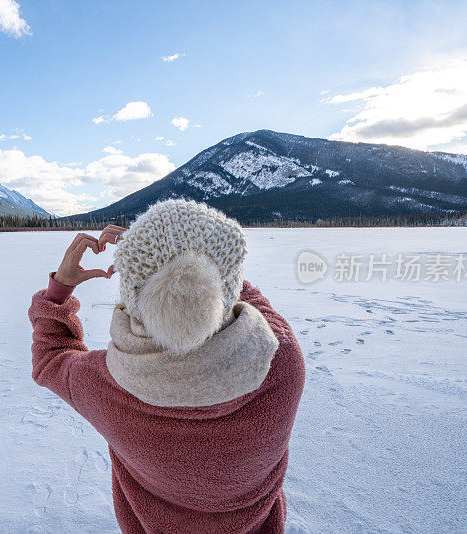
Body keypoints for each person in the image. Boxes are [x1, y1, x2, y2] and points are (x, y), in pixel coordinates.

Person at [28, 199, 305, 533]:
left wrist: (61, 287)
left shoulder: (107, 386)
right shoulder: (282, 362)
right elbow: (248, 299)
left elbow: (50, 358)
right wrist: (176, 249)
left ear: (133, 294)